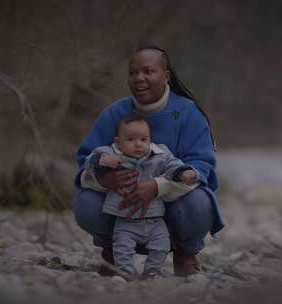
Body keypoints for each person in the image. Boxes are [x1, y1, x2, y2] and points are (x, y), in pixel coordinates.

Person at [73, 46, 225, 277]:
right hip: (121, 208)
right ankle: (112, 251)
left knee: (201, 202)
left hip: (173, 209)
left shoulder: (188, 112)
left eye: (148, 71)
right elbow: (86, 159)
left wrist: (158, 186)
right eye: (132, 73)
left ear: (166, 76)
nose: (139, 78)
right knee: (85, 203)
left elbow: (201, 167)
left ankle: (185, 253)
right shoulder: (114, 113)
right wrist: (105, 178)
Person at [84, 113, 199, 279]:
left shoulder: (160, 154)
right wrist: (103, 160)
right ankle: (124, 273)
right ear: (118, 142)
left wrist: (183, 172)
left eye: (144, 139)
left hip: (155, 219)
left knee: (162, 246)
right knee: (122, 248)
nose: (138, 144)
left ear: (150, 139)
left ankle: (152, 271)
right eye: (130, 140)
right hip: (125, 220)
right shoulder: (112, 153)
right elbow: (89, 161)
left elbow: (173, 164)